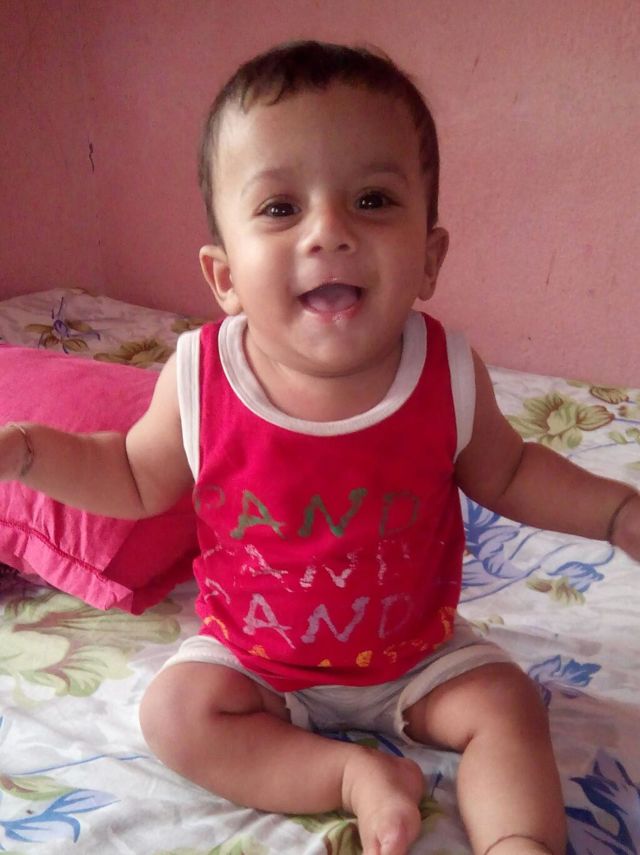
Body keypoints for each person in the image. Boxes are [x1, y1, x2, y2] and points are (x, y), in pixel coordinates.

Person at [1, 40, 638, 855]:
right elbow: (129, 475)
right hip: (255, 664)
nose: (329, 231)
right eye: (280, 208)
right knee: (174, 712)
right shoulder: (201, 376)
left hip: (418, 657)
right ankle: (348, 776)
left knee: (507, 704)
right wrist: (29, 453)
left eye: (372, 199)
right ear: (224, 277)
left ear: (429, 258)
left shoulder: (443, 371)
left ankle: (518, 842)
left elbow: (511, 472)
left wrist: (615, 511)